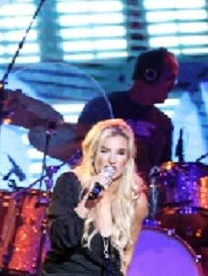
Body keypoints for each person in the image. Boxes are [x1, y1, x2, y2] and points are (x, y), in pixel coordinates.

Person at [30, 119, 148, 276]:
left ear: (128, 158)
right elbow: (61, 239)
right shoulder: (70, 183)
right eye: (105, 151)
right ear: (93, 153)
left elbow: (125, 258)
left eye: (120, 153)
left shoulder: (135, 200)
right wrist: (88, 202)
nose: (112, 160)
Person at [76, 47, 179, 178]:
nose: (173, 85)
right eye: (170, 78)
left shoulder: (164, 123)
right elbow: (79, 152)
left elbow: (162, 172)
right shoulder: (103, 107)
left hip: (142, 194)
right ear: (150, 75)